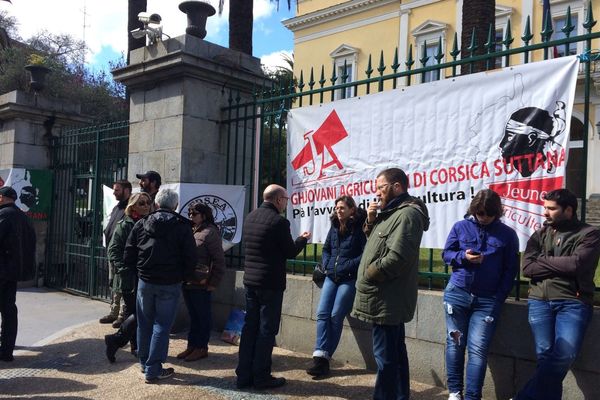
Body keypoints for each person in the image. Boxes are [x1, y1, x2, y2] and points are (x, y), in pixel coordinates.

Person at [514, 189, 600, 400]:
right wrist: (558, 265)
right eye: (545, 208)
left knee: (564, 355)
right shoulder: (540, 234)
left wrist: (542, 262)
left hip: (573, 302)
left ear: (568, 210)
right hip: (539, 302)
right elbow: (527, 268)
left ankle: (523, 397)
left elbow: (576, 264)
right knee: (545, 357)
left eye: (551, 209)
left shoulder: (589, 234)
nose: (545, 213)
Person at [351, 168, 429, 400]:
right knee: (394, 354)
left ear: (397, 186)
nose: (377, 192)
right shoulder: (391, 212)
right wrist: (372, 219)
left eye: (381, 187)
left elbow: (397, 258)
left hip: (387, 296)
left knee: (385, 359)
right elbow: (376, 242)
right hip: (384, 295)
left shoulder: (407, 215)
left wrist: (369, 274)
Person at [441, 189, 519, 400]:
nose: (483, 218)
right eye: (480, 213)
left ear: (497, 213)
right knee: (455, 344)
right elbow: (446, 254)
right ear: (473, 210)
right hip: (457, 294)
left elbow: (511, 269)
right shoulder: (460, 227)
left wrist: (499, 297)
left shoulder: (507, 235)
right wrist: (463, 257)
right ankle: (455, 392)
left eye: (488, 214)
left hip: (487, 300)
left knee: (477, 349)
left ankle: (472, 396)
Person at [235, 184, 311, 390]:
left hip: (251, 281)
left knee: (250, 328)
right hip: (269, 284)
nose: (286, 203)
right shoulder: (279, 222)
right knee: (267, 330)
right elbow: (289, 251)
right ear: (278, 200)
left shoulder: (251, 217)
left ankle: (243, 375)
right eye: (285, 199)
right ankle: (261, 376)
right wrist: (302, 240)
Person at [124, 188, 197, 384]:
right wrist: (184, 277)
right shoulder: (183, 227)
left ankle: (144, 362)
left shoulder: (141, 223)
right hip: (169, 283)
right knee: (162, 326)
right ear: (175, 205)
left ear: (156, 204)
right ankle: (153, 368)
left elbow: (128, 253)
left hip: (145, 281)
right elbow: (191, 257)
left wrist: (138, 272)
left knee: (145, 323)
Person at [306, 195, 367, 378]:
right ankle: (320, 356)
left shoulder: (359, 228)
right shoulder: (334, 226)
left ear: (351, 210)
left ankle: (324, 359)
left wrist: (346, 265)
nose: (338, 211)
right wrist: (326, 264)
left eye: (342, 208)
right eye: (337, 208)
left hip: (348, 278)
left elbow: (364, 254)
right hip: (331, 277)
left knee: (335, 315)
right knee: (322, 314)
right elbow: (326, 249)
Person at [104, 192, 153, 363]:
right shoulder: (125, 225)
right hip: (130, 279)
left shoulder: (149, 222)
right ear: (132, 206)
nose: (146, 205)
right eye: (141, 203)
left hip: (143, 276)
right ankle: (117, 340)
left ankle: (134, 346)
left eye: (148, 202)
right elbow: (113, 250)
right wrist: (126, 270)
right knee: (138, 314)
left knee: (136, 313)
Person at [177, 203, 226, 362]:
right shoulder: (192, 230)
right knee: (194, 315)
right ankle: (192, 345)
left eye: (194, 213)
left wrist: (213, 282)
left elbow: (219, 260)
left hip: (201, 282)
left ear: (204, 215)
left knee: (202, 316)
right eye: (190, 213)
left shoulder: (211, 232)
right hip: (188, 280)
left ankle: (201, 347)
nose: (191, 216)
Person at [0, 186, 36, 362]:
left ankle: (5, 349)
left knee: (7, 311)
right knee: (9, 310)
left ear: (2, 197)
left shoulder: (4, 214)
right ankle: (6, 350)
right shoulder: (23, 216)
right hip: (12, 271)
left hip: (2, 270)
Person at [100, 180, 132, 328]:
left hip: (123, 254)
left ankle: (122, 315)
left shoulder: (130, 208)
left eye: (117, 190)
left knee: (123, 285)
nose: (114, 193)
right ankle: (114, 312)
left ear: (126, 190)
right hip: (113, 252)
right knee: (113, 283)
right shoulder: (117, 207)